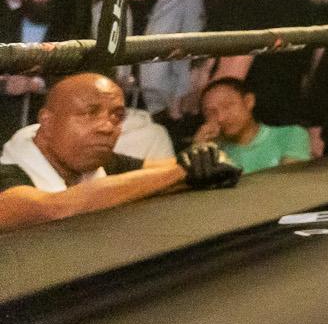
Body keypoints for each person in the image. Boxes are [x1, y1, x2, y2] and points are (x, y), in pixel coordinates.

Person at [0, 74, 239, 232]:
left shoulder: (94, 162)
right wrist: (181, 172)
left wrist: (201, 158)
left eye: (116, 116)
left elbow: (162, 168)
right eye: (90, 113)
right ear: (48, 122)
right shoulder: (7, 171)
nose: (107, 127)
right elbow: (53, 208)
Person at [193, 78, 313, 173]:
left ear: (249, 101)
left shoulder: (291, 134)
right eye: (211, 113)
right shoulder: (215, 151)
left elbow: (289, 182)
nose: (221, 118)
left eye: (227, 106)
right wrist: (198, 151)